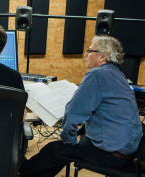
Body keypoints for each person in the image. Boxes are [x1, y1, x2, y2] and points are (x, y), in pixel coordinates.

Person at [19, 36, 143, 177]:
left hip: (111, 155)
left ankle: (20, 174)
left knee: (54, 150)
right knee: (61, 150)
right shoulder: (119, 76)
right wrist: (74, 137)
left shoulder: (96, 74)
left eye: (90, 51)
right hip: (130, 153)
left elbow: (72, 113)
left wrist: (69, 140)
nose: (85, 54)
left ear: (103, 57)